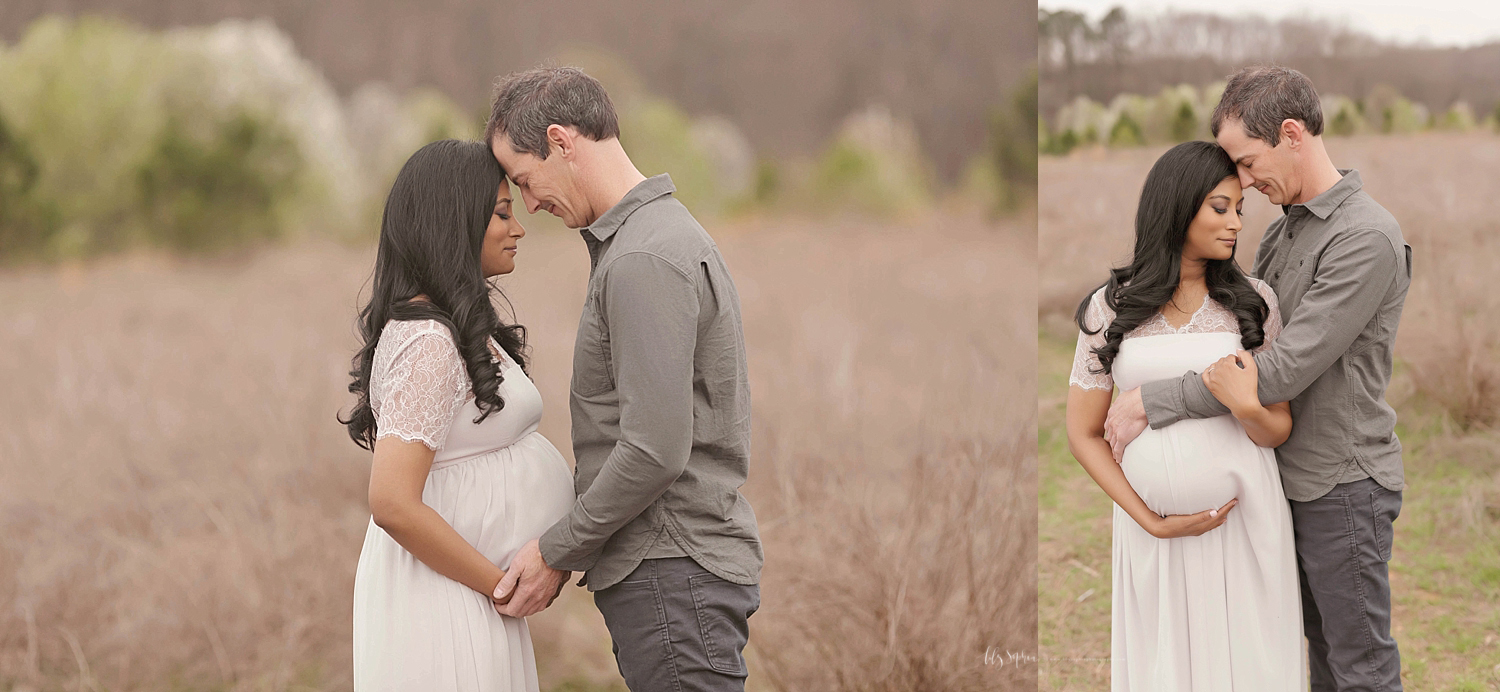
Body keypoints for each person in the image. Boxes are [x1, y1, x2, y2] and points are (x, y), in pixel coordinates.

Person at [1105, 66, 1412, 691]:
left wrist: (1153, 400)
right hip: (1280, 480)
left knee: (1358, 666)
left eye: (1248, 162)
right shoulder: (1283, 230)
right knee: (1310, 658)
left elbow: (1278, 369)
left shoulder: (1366, 237)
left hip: (1340, 484)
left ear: (1291, 134)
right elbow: (1245, 337)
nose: (1244, 181)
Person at [482, 66, 763, 692]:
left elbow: (654, 449)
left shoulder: (641, 258)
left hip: (672, 572)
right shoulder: (654, 237)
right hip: (678, 574)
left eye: (526, 180)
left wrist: (556, 549)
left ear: (561, 140)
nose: (529, 204)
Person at [1068, 139, 1305, 689]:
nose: (1235, 224)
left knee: (1252, 668)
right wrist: (1148, 520)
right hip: (1153, 537)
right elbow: (1082, 434)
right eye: (1220, 208)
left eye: (1240, 210)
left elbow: (1277, 427)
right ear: (1177, 206)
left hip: (1245, 521)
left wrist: (1246, 406)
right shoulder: (1111, 306)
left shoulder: (1254, 302)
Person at [340, 139, 576, 691]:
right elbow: (392, 502)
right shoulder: (427, 342)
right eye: (500, 213)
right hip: (444, 600)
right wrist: (501, 587)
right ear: (453, 224)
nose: (517, 228)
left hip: (464, 594)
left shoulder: (453, 326)